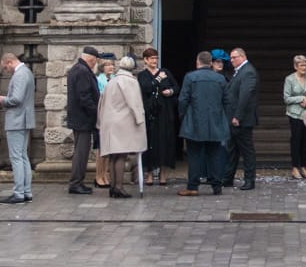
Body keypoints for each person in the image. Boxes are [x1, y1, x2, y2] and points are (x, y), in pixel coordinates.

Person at [178, 48, 230, 195]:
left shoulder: (190, 77)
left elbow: (183, 100)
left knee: (194, 155)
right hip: (216, 121)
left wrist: (183, 117)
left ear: (197, 62)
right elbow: (227, 101)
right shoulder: (220, 79)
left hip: (194, 121)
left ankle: (193, 186)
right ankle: (216, 185)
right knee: (215, 154)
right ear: (211, 63)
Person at [98, 54, 147, 199]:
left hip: (110, 121)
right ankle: (119, 187)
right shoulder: (130, 81)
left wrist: (100, 122)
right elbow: (134, 103)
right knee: (121, 154)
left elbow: (102, 103)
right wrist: (139, 120)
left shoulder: (112, 81)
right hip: (123, 122)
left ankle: (113, 186)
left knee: (113, 155)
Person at [0, 49, 35, 204]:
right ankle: (26, 191)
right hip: (25, 119)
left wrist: (3, 100)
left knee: (16, 157)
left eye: (6, 67)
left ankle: (19, 193)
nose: (6, 70)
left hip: (17, 120)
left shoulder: (19, 75)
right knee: (23, 156)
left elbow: (16, 99)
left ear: (10, 62)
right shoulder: (27, 72)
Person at [137, 46, 179, 185]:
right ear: (146, 60)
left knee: (164, 142)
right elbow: (146, 88)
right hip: (150, 114)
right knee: (150, 142)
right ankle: (149, 174)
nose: (155, 61)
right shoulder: (142, 75)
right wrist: (158, 80)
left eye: (156, 58)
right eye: (152, 58)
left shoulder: (165, 72)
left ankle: (163, 174)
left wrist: (171, 91)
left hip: (165, 112)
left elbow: (176, 87)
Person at [223, 45, 260, 190]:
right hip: (234, 118)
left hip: (242, 119)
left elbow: (246, 96)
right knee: (232, 149)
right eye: (231, 57)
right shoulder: (239, 72)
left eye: (234, 57)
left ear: (243, 57)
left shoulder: (248, 72)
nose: (231, 60)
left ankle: (249, 180)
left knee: (247, 150)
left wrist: (237, 116)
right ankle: (227, 178)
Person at [65, 44, 100, 195]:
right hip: (83, 119)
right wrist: (96, 112)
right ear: (91, 59)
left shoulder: (78, 69)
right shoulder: (83, 71)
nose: (95, 64)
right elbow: (85, 97)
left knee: (81, 151)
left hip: (80, 118)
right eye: (94, 61)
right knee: (81, 152)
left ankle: (77, 181)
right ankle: (76, 183)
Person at [284, 52, 306, 180]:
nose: (304, 68)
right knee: (296, 140)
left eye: (305, 65)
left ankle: (304, 166)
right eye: (301, 65)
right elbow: (286, 98)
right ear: (295, 66)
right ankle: (295, 167)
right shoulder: (289, 79)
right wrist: (301, 98)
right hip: (295, 114)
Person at [93, 54, 116, 187]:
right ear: (102, 67)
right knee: (100, 149)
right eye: (107, 65)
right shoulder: (98, 80)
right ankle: (98, 176)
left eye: (112, 64)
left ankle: (105, 174)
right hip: (102, 117)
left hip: (113, 116)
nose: (110, 67)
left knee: (109, 149)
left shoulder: (114, 79)